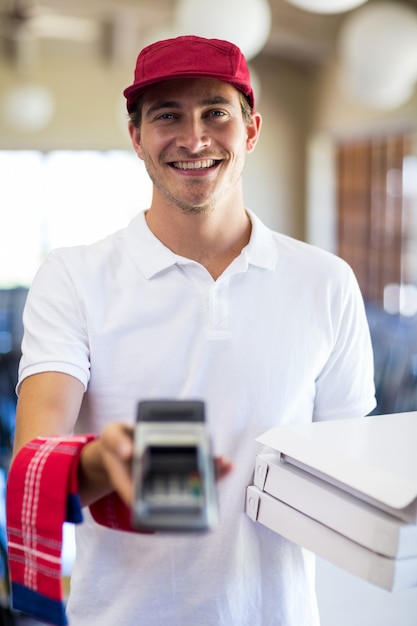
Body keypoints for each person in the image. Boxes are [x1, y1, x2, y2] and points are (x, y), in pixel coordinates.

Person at [7, 35, 375, 626]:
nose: (194, 137)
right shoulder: (73, 276)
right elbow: (33, 461)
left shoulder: (325, 282)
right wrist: (102, 463)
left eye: (215, 113)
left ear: (251, 130)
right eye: (167, 116)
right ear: (136, 137)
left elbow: (348, 489)